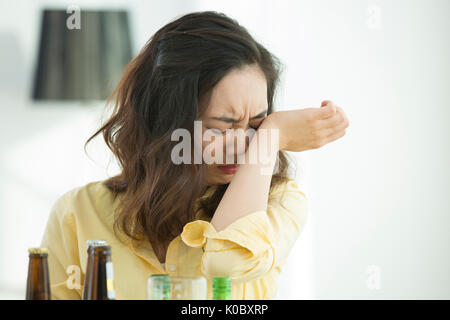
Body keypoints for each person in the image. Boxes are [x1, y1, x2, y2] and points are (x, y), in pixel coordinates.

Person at [40, 11, 349, 299]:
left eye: (257, 123)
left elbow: (226, 264)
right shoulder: (77, 212)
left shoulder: (280, 202)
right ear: (163, 122)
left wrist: (272, 136)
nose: (242, 146)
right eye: (221, 127)